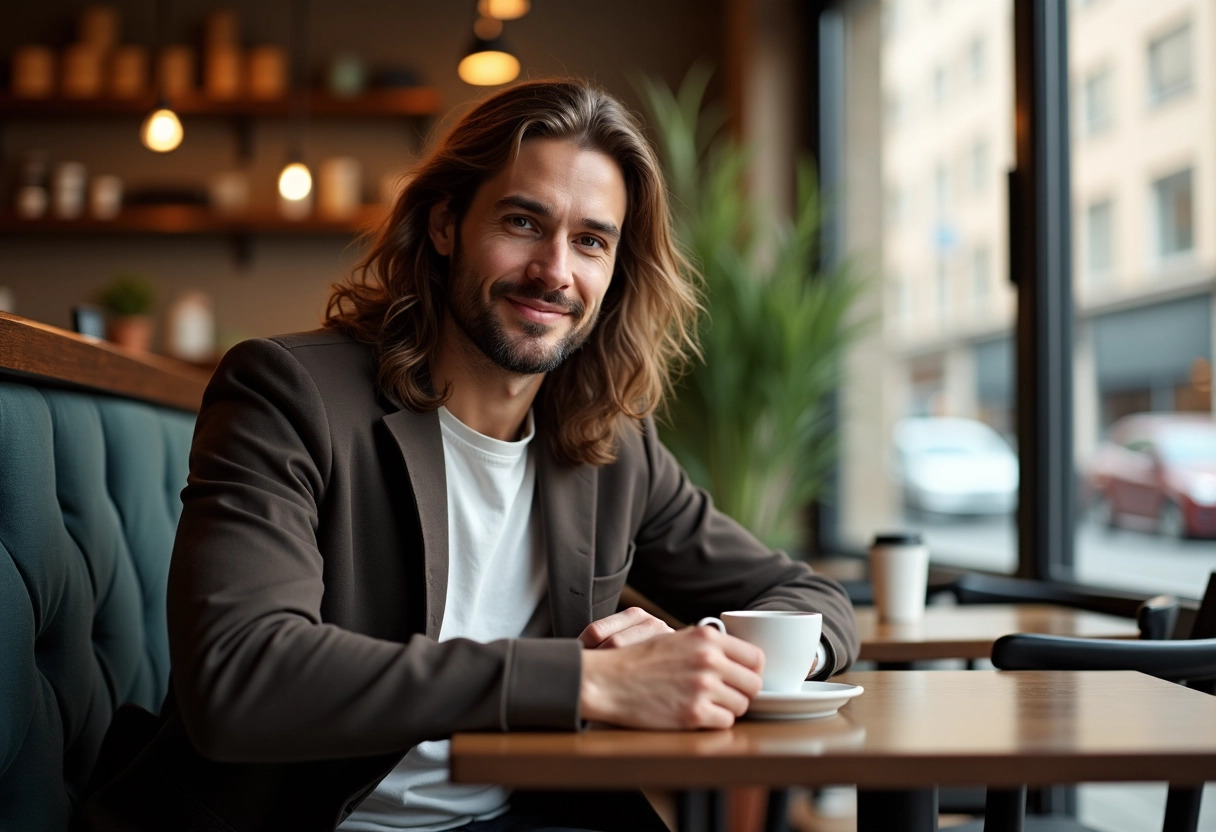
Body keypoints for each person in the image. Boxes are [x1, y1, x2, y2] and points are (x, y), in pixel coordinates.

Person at [76, 78, 859, 832]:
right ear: (447, 225)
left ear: (614, 273)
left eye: (590, 241)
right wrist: (589, 681)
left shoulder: (611, 448)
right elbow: (241, 675)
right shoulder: (289, 395)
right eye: (523, 222)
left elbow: (808, 596)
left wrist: (710, 655)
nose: (555, 271)